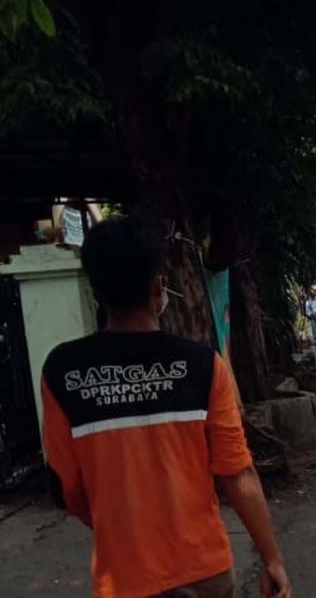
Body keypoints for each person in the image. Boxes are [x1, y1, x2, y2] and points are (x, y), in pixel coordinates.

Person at [41, 217, 290, 598]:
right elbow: (237, 472)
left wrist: (118, 526)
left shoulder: (63, 371)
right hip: (204, 570)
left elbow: (68, 488)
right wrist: (272, 558)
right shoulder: (202, 365)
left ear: (97, 292)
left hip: (124, 580)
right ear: (159, 287)